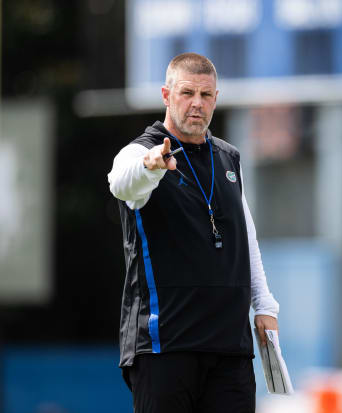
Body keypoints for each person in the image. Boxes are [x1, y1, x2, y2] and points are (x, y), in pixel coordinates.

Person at [107, 53, 279, 413]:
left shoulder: (228, 157)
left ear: (216, 98)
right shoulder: (143, 150)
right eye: (187, 93)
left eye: (206, 95)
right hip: (165, 346)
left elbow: (245, 235)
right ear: (167, 95)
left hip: (229, 346)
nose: (197, 104)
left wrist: (264, 304)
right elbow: (120, 182)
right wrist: (150, 165)